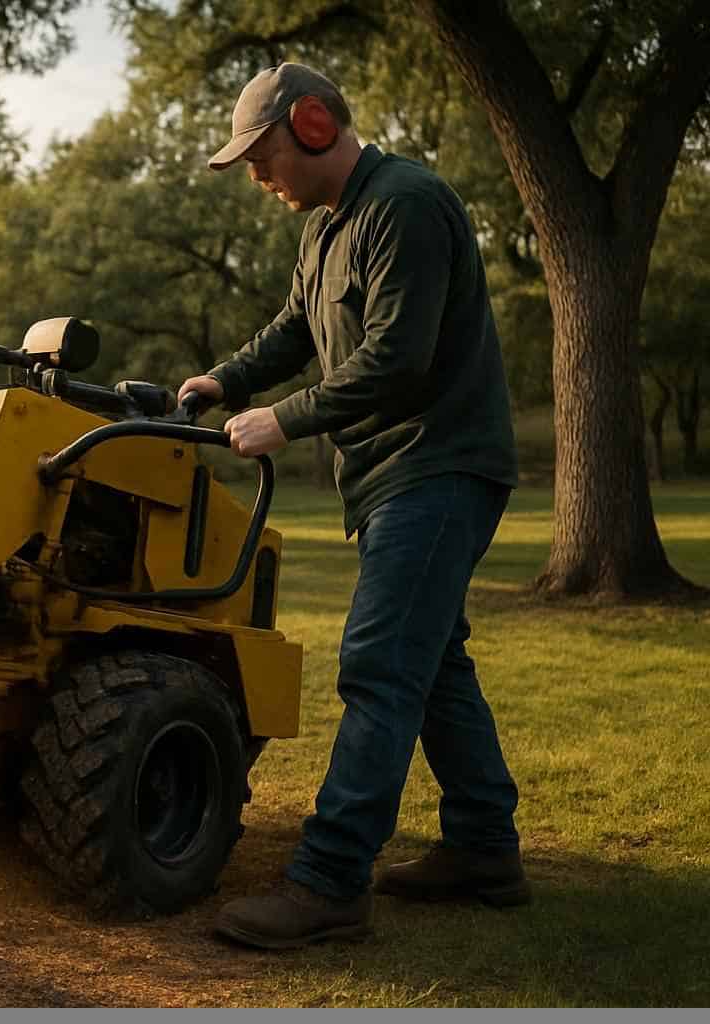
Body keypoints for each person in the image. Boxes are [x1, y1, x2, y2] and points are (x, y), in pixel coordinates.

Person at [178, 62, 529, 950]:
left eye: (262, 158)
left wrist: (281, 421)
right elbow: (297, 329)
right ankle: (485, 850)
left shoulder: (405, 204)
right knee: (434, 662)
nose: (259, 178)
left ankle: (330, 881)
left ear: (313, 124)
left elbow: (396, 359)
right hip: (389, 475)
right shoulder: (327, 229)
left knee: (377, 664)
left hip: (438, 466)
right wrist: (225, 379)